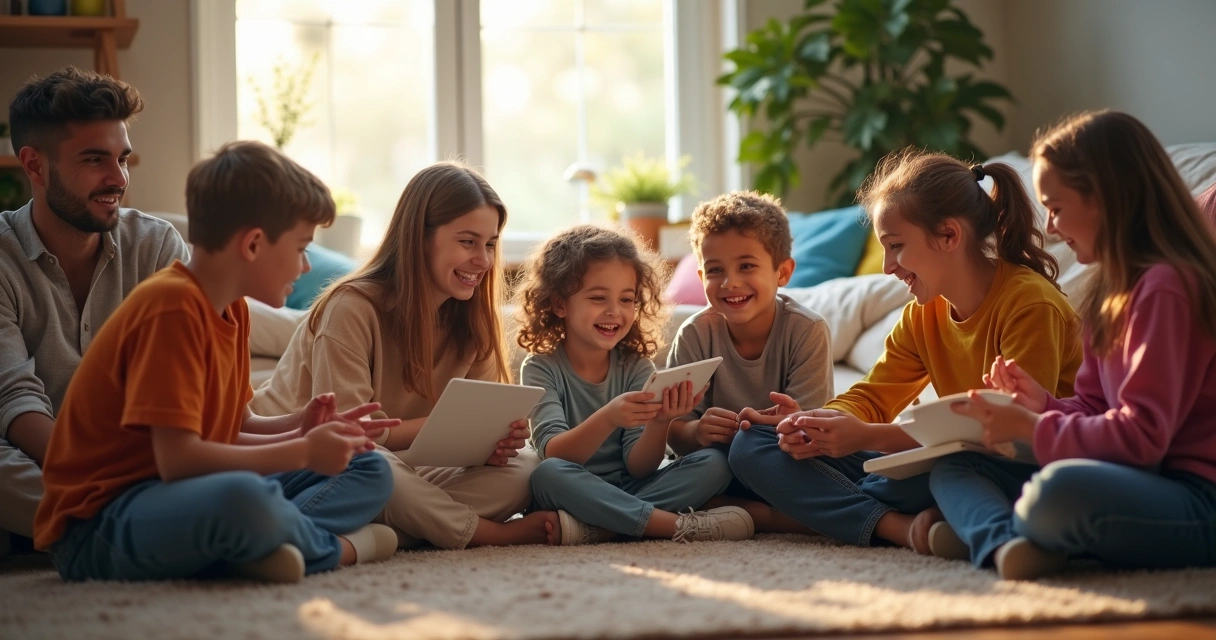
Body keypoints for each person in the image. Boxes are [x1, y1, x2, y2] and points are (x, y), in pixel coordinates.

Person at [33, 141, 399, 583]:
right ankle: (337, 549)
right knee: (243, 499)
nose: (305, 266)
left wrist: (299, 427)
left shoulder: (233, 308)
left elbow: (236, 426)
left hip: (182, 494)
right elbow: (179, 460)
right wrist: (304, 452)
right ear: (253, 244)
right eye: (302, 248)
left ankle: (256, 544)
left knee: (369, 468)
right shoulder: (171, 307)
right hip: (100, 522)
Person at [729, 149, 1082, 552]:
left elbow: (1005, 437)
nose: (887, 266)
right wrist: (817, 423)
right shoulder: (922, 314)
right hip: (943, 459)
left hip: (1006, 465)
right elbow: (874, 396)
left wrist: (868, 436)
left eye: (895, 245)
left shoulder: (1028, 304)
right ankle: (896, 521)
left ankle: (852, 514)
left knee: (915, 477)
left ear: (949, 236)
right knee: (752, 445)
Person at [950, 110, 1216, 580]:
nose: (1051, 228)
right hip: (1140, 477)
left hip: (1196, 493)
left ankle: (1000, 530)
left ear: (1109, 198)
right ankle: (1009, 541)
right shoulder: (1108, 292)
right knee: (958, 466)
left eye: (1055, 208)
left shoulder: (1167, 287)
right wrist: (1044, 404)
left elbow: (1143, 439)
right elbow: (1095, 405)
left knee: (1056, 493)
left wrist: (1034, 427)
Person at [250, 162, 556, 549]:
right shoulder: (350, 307)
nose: (484, 260)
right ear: (419, 238)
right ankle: (481, 532)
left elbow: (465, 434)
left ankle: (391, 530)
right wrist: (445, 425)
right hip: (314, 466)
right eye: (468, 242)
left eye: (491, 244)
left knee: (525, 468)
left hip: (401, 468)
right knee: (374, 465)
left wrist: (493, 442)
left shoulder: (473, 320)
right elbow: (351, 437)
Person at [0, 67, 188, 556]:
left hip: (135, 462)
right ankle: (151, 527)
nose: (118, 178)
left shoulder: (157, 247)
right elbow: (13, 399)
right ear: (35, 165)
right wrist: (103, 476)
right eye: (94, 159)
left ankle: (82, 531)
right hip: (34, 457)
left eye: (122, 158)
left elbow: (183, 385)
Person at [519, 224, 754, 545]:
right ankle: (672, 526)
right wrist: (609, 417)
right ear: (560, 304)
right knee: (546, 475)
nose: (614, 311)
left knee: (714, 463)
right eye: (598, 297)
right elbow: (555, 454)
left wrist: (661, 421)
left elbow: (640, 468)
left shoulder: (636, 367)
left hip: (631, 489)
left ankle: (599, 528)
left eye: (626, 299)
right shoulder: (539, 367)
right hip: (573, 488)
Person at [665, 191, 832, 533]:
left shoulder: (807, 329)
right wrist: (698, 432)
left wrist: (772, 426)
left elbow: (811, 431)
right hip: (714, 465)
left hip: (780, 457)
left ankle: (741, 512)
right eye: (715, 270)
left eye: (746, 266)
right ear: (701, 277)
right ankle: (766, 513)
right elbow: (671, 431)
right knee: (704, 467)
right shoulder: (695, 334)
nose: (731, 283)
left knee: (830, 467)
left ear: (782, 272)